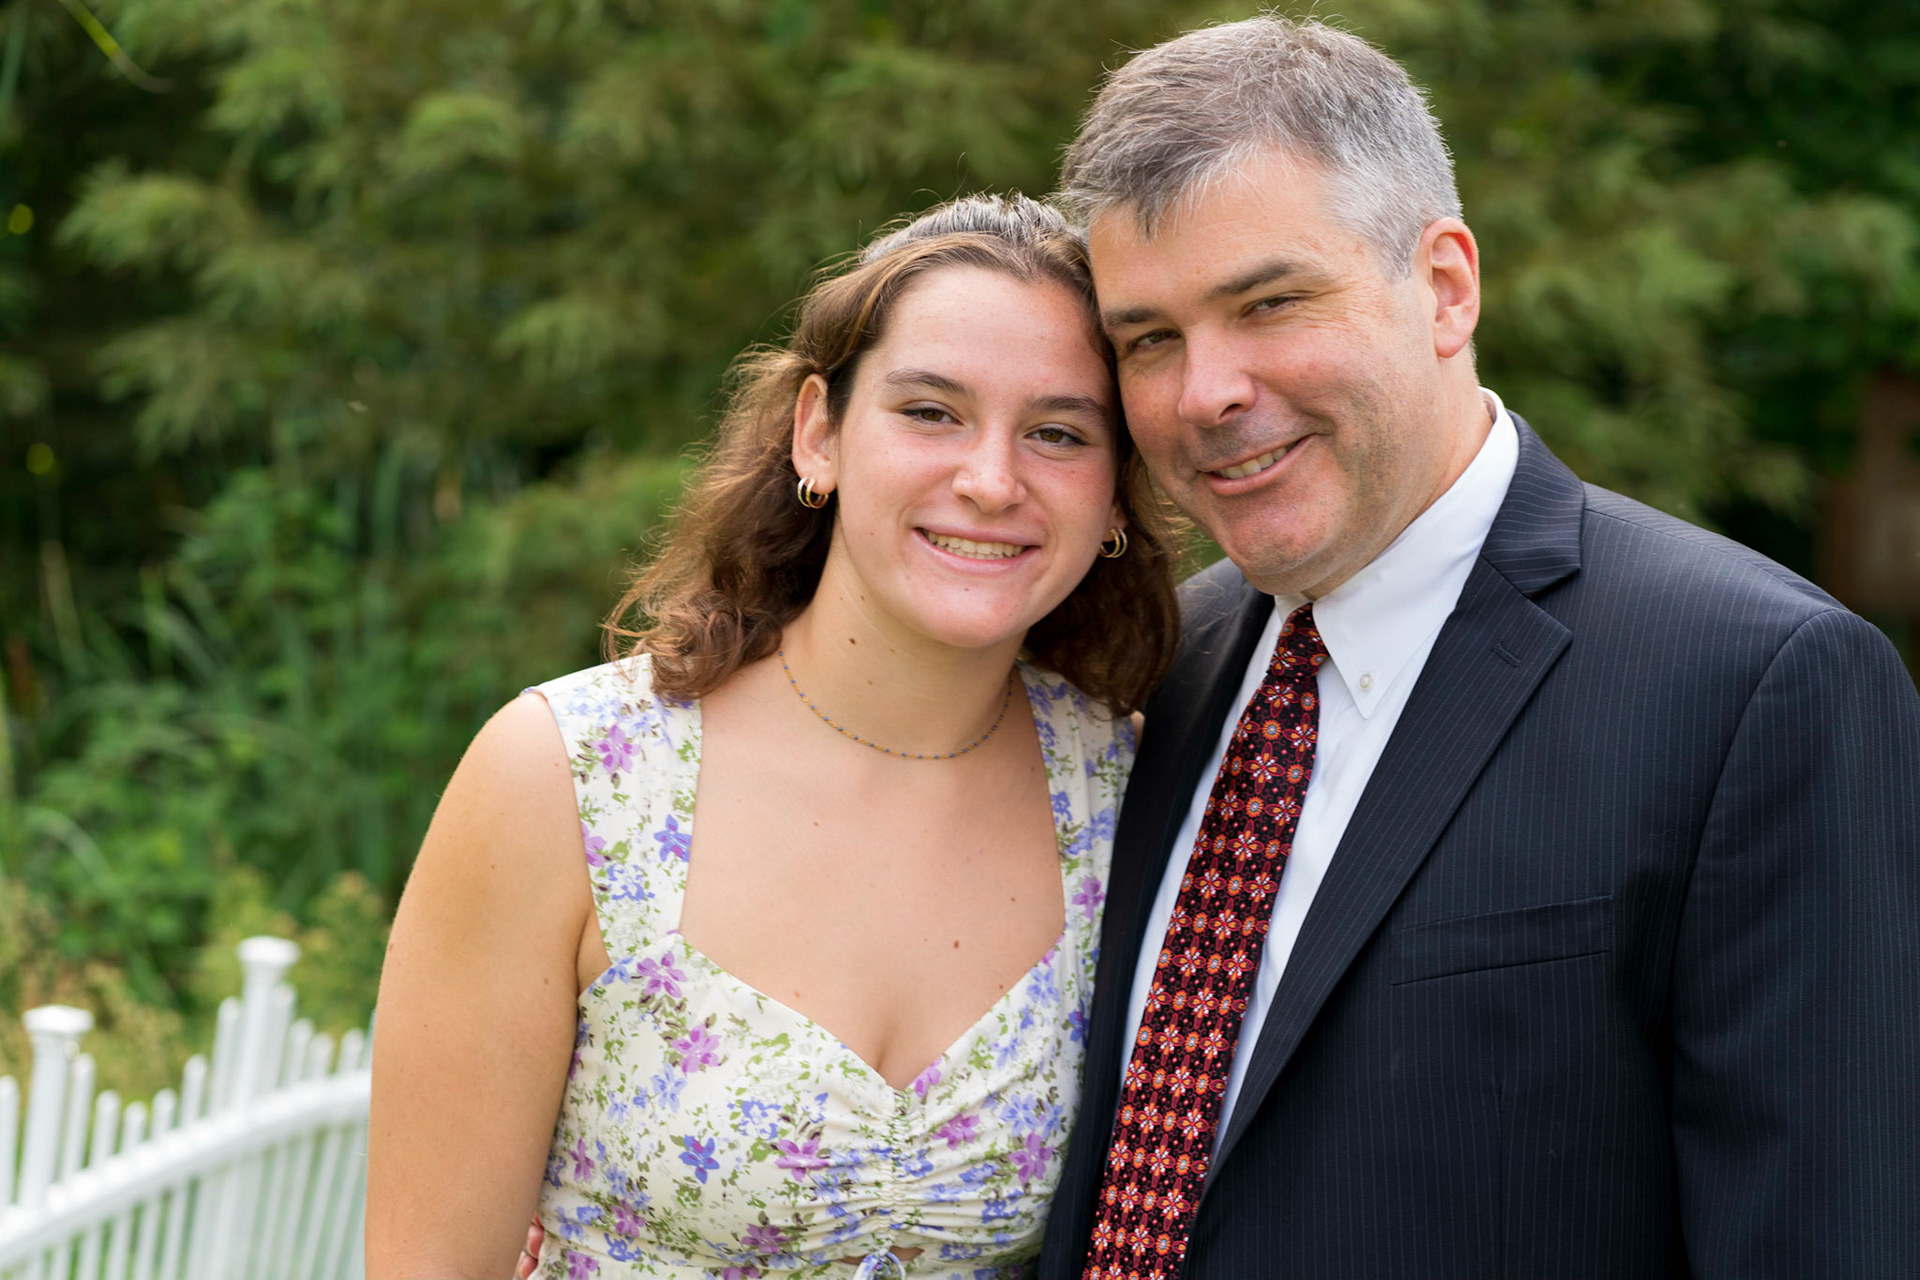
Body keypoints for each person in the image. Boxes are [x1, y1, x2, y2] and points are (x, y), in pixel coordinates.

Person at [1035, 17, 1920, 1280]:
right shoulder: (1166, 662)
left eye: (1269, 302)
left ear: (1446, 286)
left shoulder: (1757, 687)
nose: (1204, 392)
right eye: (1148, 339)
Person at [365, 193, 1185, 1279]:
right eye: (931, 411)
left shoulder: (1139, 794)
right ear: (820, 432)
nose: (992, 479)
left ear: (1114, 490)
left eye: (1057, 432)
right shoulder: (568, 776)